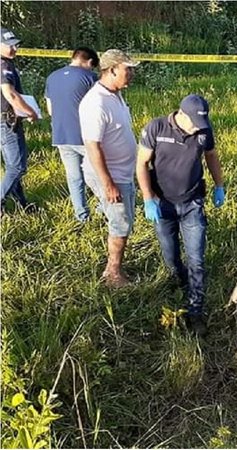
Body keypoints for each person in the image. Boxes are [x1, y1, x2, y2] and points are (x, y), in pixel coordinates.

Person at [136, 94, 225, 336]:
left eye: (202, 123)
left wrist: (219, 185)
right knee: (171, 255)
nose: (198, 128)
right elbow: (141, 164)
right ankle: (178, 277)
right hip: (162, 204)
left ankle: (196, 310)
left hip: (192, 203)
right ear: (181, 115)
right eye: (194, 122)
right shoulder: (156, 128)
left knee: (196, 259)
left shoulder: (204, 131)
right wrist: (147, 198)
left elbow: (211, 156)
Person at [79, 49, 139, 287]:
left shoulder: (115, 95)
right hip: (110, 174)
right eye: (128, 69)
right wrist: (108, 184)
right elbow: (92, 147)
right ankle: (112, 273)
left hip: (122, 171)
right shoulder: (95, 103)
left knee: (124, 220)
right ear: (112, 70)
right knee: (120, 222)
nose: (131, 73)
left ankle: (115, 267)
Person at [45, 47, 99, 222]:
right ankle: (104, 206)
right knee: (99, 174)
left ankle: (81, 215)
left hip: (61, 134)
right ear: (90, 62)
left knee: (74, 177)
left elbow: (50, 110)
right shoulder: (90, 77)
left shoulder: (52, 77)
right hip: (85, 136)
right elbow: (98, 107)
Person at [0, 27, 39, 214]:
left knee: (13, 166)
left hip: (8, 119)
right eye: (9, 46)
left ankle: (22, 204)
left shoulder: (6, 63)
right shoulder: (3, 65)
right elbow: (10, 94)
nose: (14, 49)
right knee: (17, 167)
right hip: (6, 121)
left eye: (15, 45)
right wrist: (30, 112)